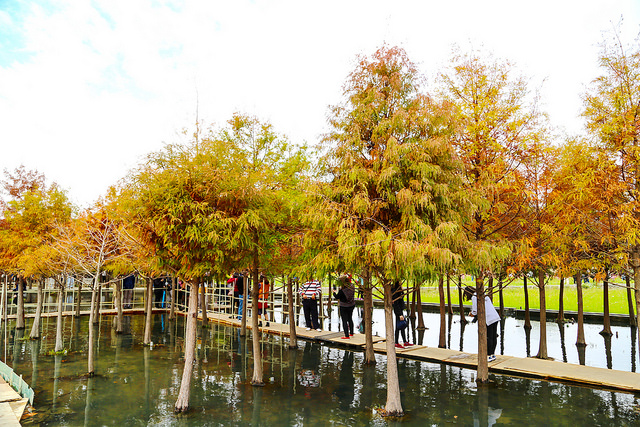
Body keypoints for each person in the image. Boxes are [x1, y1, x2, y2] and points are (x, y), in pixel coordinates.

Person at [464, 286, 500, 362]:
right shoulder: (483, 295)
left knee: (489, 337)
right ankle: (493, 354)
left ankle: (489, 355)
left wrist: (471, 314)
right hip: (495, 317)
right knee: (493, 336)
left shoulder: (475, 297)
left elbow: (475, 310)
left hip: (488, 318)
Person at [333, 274, 355, 339]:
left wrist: (334, 292)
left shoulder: (342, 290)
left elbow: (337, 297)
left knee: (344, 320)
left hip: (344, 306)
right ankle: (351, 333)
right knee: (350, 319)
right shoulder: (352, 286)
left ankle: (346, 335)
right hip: (351, 304)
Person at [392, 280, 412, 348]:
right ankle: (396, 342)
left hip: (400, 310)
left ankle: (405, 341)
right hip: (398, 311)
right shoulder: (395, 291)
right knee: (398, 326)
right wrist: (400, 314)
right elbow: (396, 303)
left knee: (401, 326)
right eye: (400, 282)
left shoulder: (399, 290)